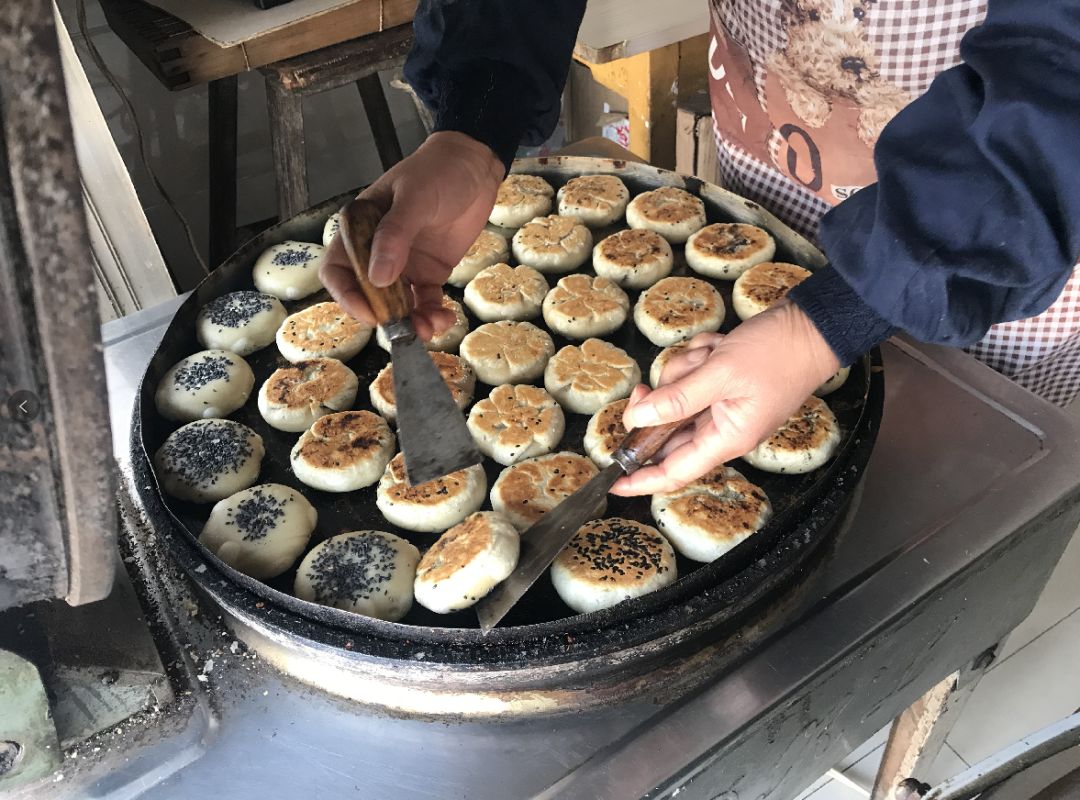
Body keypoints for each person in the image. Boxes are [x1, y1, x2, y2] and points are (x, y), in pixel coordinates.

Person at [321, 0, 1080, 497]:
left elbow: (1064, 72)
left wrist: (826, 322)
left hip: (1009, 220)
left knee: (939, 501)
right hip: (778, 145)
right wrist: (473, 126)